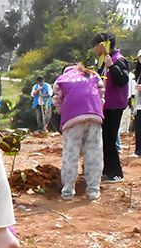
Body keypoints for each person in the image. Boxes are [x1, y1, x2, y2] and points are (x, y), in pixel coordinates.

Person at [53, 64, 104, 201]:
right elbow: (101, 95)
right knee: (94, 154)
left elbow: (57, 100)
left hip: (72, 120)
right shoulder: (93, 75)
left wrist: (64, 112)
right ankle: (93, 190)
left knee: (71, 155)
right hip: (94, 116)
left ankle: (68, 191)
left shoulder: (62, 79)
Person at [94, 32, 130, 183]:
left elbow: (123, 80)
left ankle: (116, 173)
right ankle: (106, 170)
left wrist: (112, 67)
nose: (94, 49)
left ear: (103, 45)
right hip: (105, 106)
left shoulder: (119, 60)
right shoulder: (102, 61)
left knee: (109, 139)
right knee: (104, 139)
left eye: (96, 45)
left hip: (114, 106)